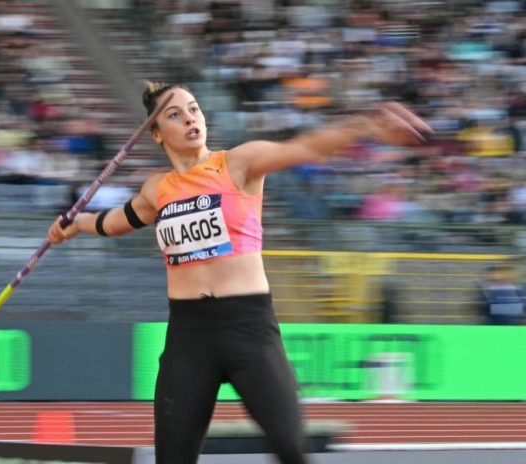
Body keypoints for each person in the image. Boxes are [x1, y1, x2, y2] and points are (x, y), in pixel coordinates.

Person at [47, 82, 431, 464]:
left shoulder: (239, 163)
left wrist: (365, 125)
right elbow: (118, 220)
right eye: (175, 115)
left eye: (194, 109)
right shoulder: (156, 189)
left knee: (290, 448)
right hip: (188, 337)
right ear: (156, 133)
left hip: (249, 329)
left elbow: (308, 146)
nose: (190, 119)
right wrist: (77, 223)